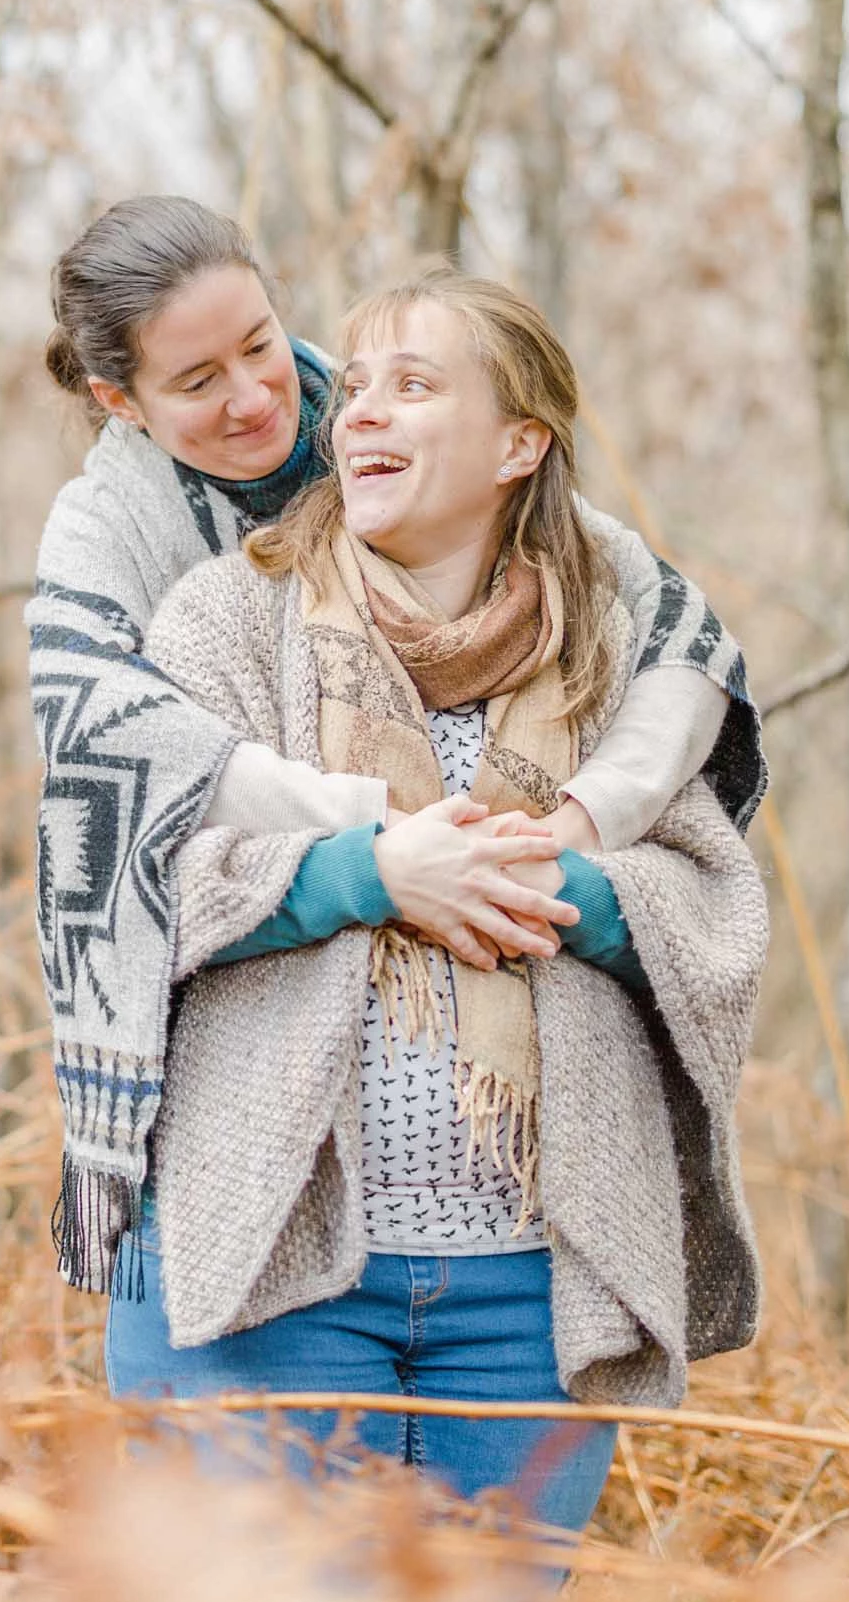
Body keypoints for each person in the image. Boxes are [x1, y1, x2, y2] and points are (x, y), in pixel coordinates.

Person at [92, 267, 767, 1535]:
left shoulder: (616, 652)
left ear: (521, 442)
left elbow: (716, 901)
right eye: (354, 389)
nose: (360, 416)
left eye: (413, 385)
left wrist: (566, 890)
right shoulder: (231, 620)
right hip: (273, 1268)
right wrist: (369, 875)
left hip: (533, 1291)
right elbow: (139, 876)